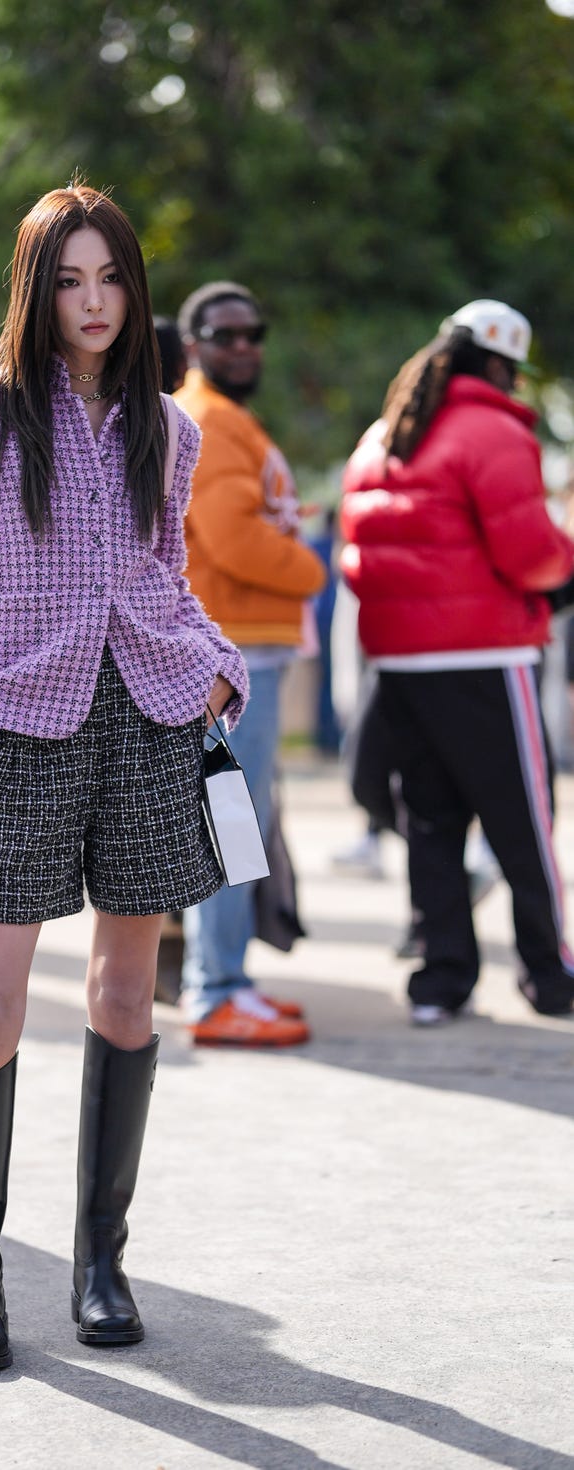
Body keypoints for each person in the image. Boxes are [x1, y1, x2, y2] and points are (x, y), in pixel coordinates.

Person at [0, 184, 247, 1373]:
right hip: (21, 725)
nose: (92, 303)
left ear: (131, 289)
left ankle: (100, 1262)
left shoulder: (169, 425)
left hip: (149, 715)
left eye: (109, 279)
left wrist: (216, 666)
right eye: (68, 280)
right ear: (34, 288)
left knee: (125, 998)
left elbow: (166, 578)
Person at [340, 299, 574, 1024]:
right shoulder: (494, 431)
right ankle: (548, 977)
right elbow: (531, 552)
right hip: (485, 656)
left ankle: (442, 981)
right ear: (501, 364)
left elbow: (359, 555)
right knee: (522, 823)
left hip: (403, 662)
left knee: (432, 826)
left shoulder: (384, 433)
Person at [173, 281, 326, 1046]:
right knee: (229, 821)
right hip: (230, 652)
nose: (242, 346)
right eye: (223, 334)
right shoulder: (210, 418)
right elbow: (233, 540)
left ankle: (227, 979)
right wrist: (313, 568)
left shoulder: (228, 419)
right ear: (193, 343)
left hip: (241, 647)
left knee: (238, 819)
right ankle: (215, 990)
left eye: (252, 332)